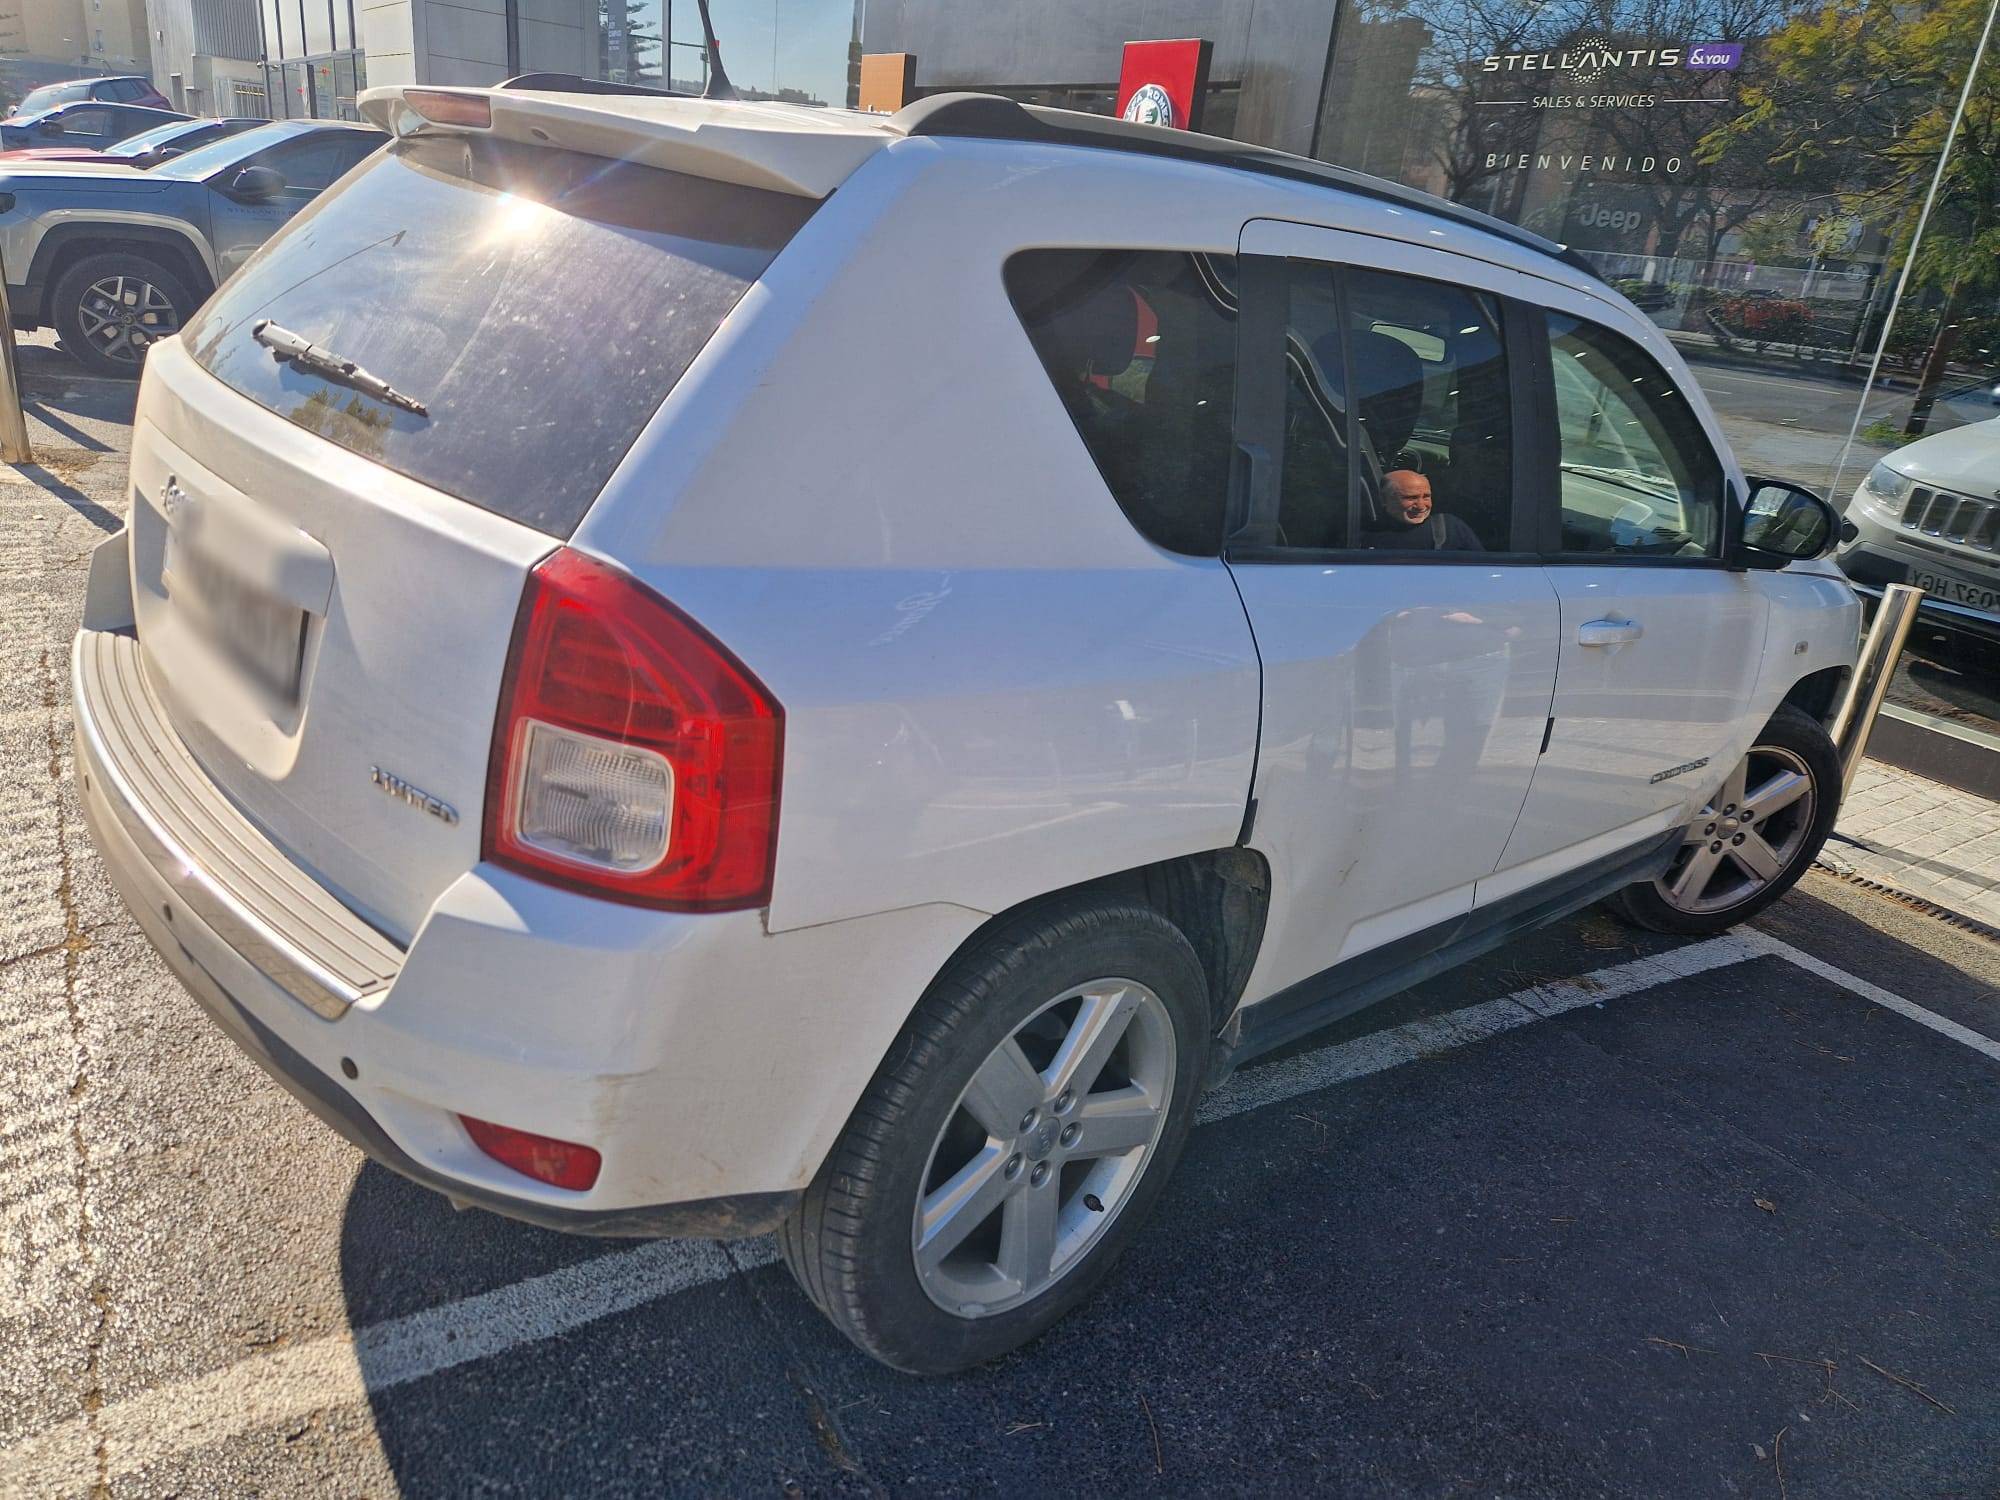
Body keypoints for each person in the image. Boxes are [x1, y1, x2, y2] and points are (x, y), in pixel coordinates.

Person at [1366, 467, 1484, 551]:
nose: (1421, 506)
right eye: (1411, 498)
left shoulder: (1451, 527)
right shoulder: (1363, 533)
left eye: (1426, 497)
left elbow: (1482, 570)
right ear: (1384, 500)